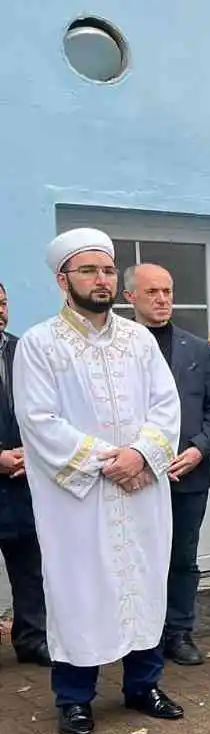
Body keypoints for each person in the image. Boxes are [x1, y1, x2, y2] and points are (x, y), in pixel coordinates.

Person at [15, 229, 184, 734]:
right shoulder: (40, 344)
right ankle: (74, 698)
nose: (101, 279)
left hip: (142, 488)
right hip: (78, 498)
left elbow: (166, 405)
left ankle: (143, 684)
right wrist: (108, 462)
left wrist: (141, 456)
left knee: (145, 581)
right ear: (63, 279)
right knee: (80, 590)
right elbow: (38, 420)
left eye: (108, 270)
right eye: (88, 270)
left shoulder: (138, 341)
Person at [124, 263, 210, 668]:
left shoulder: (197, 349)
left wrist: (200, 448)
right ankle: (137, 633)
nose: (163, 299)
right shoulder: (119, 348)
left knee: (182, 557)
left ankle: (178, 631)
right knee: (136, 556)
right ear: (130, 297)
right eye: (153, 293)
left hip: (188, 472)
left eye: (167, 291)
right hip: (135, 474)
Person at [0, 280, 48, 666]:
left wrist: (33, 453)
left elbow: (47, 411)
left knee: (31, 567)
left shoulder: (23, 351)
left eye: (2, 303)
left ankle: (32, 639)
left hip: (25, 480)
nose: (0, 311)